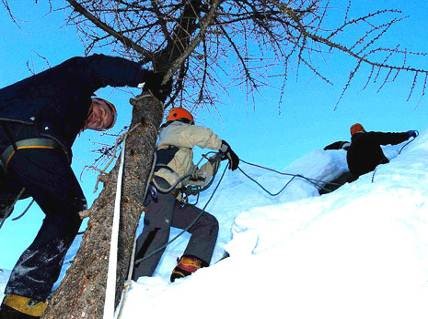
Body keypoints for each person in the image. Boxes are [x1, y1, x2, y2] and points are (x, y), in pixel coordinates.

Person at [0, 53, 170, 319]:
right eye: (103, 112)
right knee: (69, 210)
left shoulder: (61, 123)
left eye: (103, 125)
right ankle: (24, 297)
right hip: (26, 131)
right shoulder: (69, 84)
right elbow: (93, 67)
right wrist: (144, 77)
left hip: (11, 154)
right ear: (95, 99)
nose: (99, 120)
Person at [132, 107, 239, 283]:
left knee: (207, 223)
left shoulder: (181, 152)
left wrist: (216, 160)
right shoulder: (171, 131)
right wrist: (223, 146)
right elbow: (198, 134)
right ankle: (132, 280)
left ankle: (187, 270)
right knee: (157, 231)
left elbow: (197, 178)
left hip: (170, 198)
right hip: (160, 189)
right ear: (185, 121)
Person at [346, 123, 418, 180]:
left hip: (363, 181)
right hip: (381, 173)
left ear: (352, 134)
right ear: (363, 130)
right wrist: (406, 135)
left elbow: (353, 170)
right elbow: (389, 138)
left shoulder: (349, 151)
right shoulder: (369, 136)